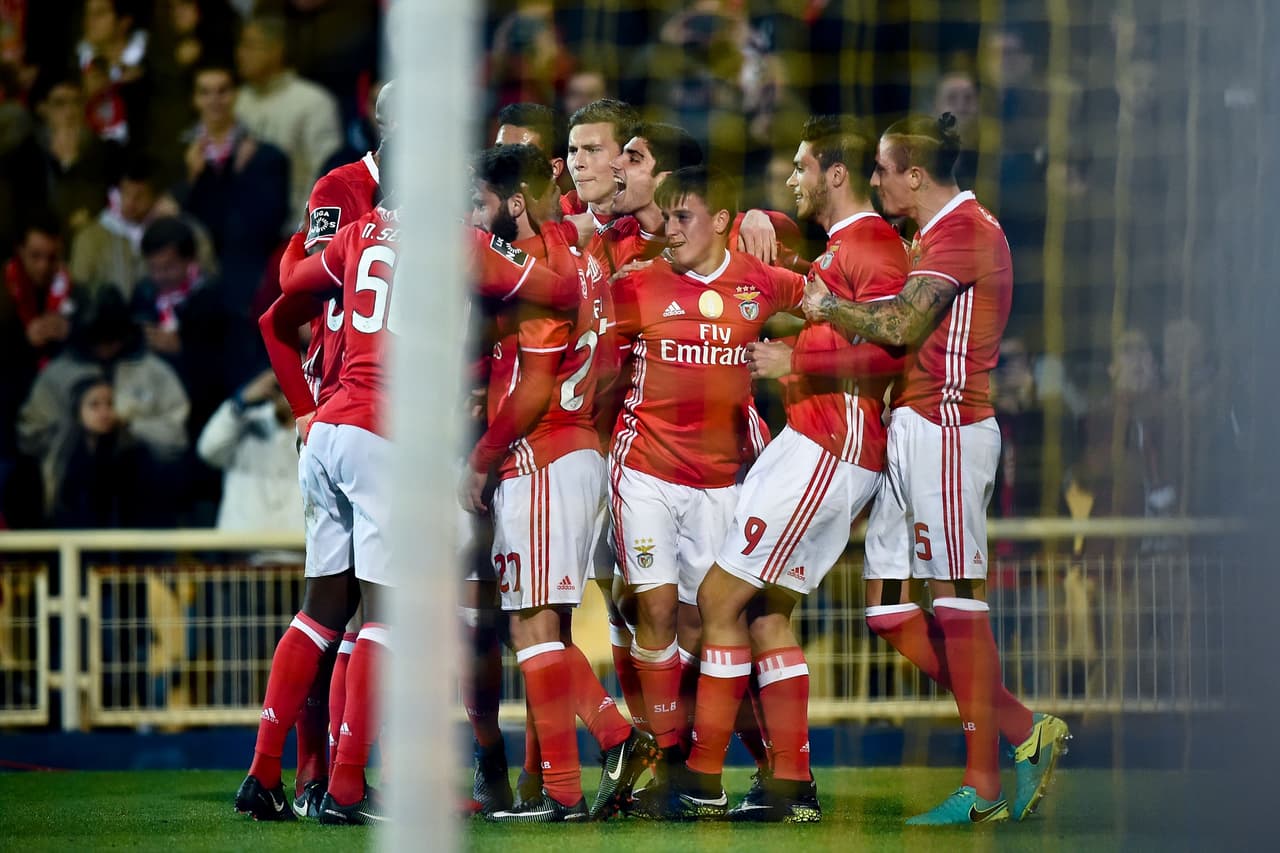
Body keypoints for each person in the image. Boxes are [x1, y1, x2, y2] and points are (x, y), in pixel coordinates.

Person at [800, 112, 1069, 825]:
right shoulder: (936, 231)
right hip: (910, 430)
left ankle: (982, 783)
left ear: (914, 174)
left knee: (955, 603)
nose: (877, 180)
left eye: (884, 169)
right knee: (889, 609)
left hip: (949, 431)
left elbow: (898, 326)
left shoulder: (963, 230)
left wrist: (828, 306)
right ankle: (1021, 727)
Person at [647, 115, 910, 823]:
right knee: (764, 616)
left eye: (799, 168)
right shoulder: (837, 248)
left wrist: (801, 359)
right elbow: (782, 265)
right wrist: (762, 215)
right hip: (814, 439)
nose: (791, 179)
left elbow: (892, 346)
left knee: (720, 598)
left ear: (835, 173)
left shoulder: (876, 242)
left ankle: (702, 775)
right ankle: (789, 783)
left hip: (831, 443)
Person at [465, 143, 656, 824]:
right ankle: (573, 785)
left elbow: (536, 383)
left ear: (513, 202)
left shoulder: (539, 271)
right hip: (574, 450)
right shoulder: (573, 255)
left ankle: (609, 743)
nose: (475, 215)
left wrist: (482, 457)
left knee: (534, 628)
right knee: (537, 629)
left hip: (542, 455)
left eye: (482, 203)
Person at [605, 165, 803, 802]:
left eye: (683, 216)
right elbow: (583, 346)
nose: (670, 229)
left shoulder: (761, 284)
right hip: (644, 472)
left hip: (722, 483)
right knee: (655, 609)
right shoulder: (637, 286)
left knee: (703, 627)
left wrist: (801, 355)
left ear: (722, 221)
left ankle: (742, 764)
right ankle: (669, 763)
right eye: (665, 216)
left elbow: (826, 298)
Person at [175, 63, 290, 305]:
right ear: (194, 99)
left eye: (222, 91)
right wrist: (190, 178)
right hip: (187, 286)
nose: (214, 100)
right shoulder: (177, 154)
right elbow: (167, 214)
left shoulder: (265, 156)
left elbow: (268, 225)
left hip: (243, 288)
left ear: (236, 94)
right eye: (205, 92)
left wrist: (241, 177)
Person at [234, 15, 343, 228]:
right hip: (239, 228)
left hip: (291, 229)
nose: (240, 53)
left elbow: (328, 176)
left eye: (250, 45)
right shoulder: (237, 100)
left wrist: (301, 231)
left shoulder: (313, 102)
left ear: (276, 50)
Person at [44, 375, 167, 527]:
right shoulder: (62, 455)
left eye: (110, 404)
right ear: (77, 410)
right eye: (94, 405)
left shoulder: (134, 452)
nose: (105, 411)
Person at [196, 368, 302, 533]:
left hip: (300, 550)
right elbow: (208, 451)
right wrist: (240, 401)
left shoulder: (321, 430)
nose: (290, 389)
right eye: (282, 383)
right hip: (243, 549)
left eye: (299, 380)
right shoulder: (241, 421)